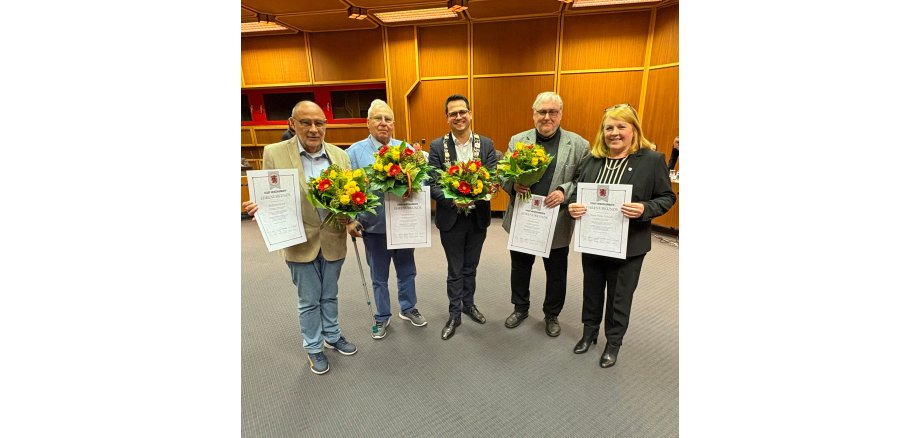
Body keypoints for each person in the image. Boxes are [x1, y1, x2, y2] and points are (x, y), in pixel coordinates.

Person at [242, 100, 361, 376]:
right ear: (291, 124)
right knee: (309, 299)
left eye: (319, 123)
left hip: (332, 238)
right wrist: (257, 205)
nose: (313, 129)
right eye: (306, 122)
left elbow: (346, 198)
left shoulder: (339, 156)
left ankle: (332, 334)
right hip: (298, 239)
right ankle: (314, 346)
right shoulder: (274, 152)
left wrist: (352, 221)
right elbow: (271, 195)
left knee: (330, 294)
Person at [566, 104, 676, 368]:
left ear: (634, 129)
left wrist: (645, 208)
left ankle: (613, 342)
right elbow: (577, 191)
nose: (614, 133)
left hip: (629, 245)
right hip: (594, 240)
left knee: (620, 296)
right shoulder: (592, 160)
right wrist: (572, 205)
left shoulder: (651, 160)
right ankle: (589, 332)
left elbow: (667, 197)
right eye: (609, 128)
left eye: (621, 127)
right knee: (592, 291)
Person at [501, 92, 589, 337]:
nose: (547, 117)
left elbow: (584, 180)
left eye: (553, 112)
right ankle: (520, 308)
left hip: (556, 220)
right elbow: (503, 174)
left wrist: (564, 191)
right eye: (542, 112)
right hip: (524, 218)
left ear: (561, 114)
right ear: (533, 114)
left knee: (556, 272)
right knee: (520, 267)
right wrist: (513, 185)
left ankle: (552, 314)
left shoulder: (579, 144)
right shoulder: (518, 140)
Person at [346, 99, 428, 339]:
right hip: (374, 227)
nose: (383, 124)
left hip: (404, 225)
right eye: (377, 119)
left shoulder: (407, 151)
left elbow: (422, 182)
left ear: (393, 123)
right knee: (379, 276)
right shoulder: (353, 153)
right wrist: (351, 218)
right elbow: (348, 192)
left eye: (388, 119)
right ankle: (382, 316)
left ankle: (408, 307)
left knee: (407, 271)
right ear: (368, 123)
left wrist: (416, 188)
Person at [427, 94, 498, 340]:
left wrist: (475, 195)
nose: (458, 117)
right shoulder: (437, 146)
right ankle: (454, 313)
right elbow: (431, 181)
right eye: (452, 113)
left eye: (462, 112)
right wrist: (451, 199)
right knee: (455, 268)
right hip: (451, 218)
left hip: (478, 216)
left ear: (470, 114)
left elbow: (490, 178)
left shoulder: (486, 144)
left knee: (471, 266)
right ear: (447, 118)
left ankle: (469, 304)